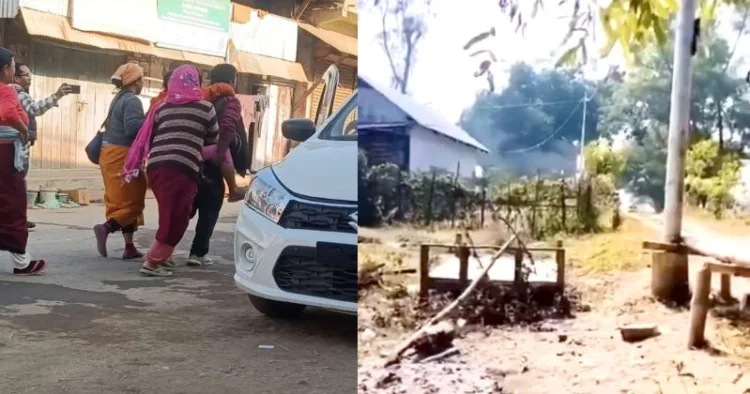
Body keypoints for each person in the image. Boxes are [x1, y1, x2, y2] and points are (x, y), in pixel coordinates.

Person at [123, 65, 219, 277]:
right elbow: (213, 139)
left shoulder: (162, 107)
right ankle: (153, 262)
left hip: (156, 167)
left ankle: (163, 257)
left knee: (168, 213)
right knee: (177, 217)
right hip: (183, 168)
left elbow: (154, 133)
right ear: (197, 83)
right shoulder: (206, 108)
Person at [151, 67, 246, 203]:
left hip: (161, 160)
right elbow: (226, 128)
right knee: (224, 151)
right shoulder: (209, 101)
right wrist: (220, 152)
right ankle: (233, 189)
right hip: (193, 155)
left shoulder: (162, 103)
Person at [186, 63, 245, 267]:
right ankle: (197, 253)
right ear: (231, 81)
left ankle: (163, 250)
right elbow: (228, 126)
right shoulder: (230, 101)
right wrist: (221, 152)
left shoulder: (199, 98)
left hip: (192, 159)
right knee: (210, 208)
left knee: (186, 208)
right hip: (214, 162)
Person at [92, 63, 147, 260]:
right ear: (136, 81)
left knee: (120, 200)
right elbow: (132, 129)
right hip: (122, 156)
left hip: (109, 153)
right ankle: (106, 228)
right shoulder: (132, 100)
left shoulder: (119, 98)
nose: (143, 83)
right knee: (134, 201)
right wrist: (151, 119)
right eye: (142, 78)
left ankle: (129, 246)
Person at [0, 47, 47, 275]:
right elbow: (9, 114)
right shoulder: (7, 91)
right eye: (12, 65)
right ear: (6, 69)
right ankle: (22, 262)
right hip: (7, 153)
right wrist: (23, 129)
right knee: (13, 204)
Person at [11, 63, 74, 229]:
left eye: (30, 75)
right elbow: (35, 109)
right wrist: (57, 95)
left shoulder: (9, 92)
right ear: (16, 77)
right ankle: (17, 221)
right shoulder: (19, 93)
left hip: (13, 147)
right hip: (18, 149)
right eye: (25, 75)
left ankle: (17, 219)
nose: (29, 78)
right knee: (17, 185)